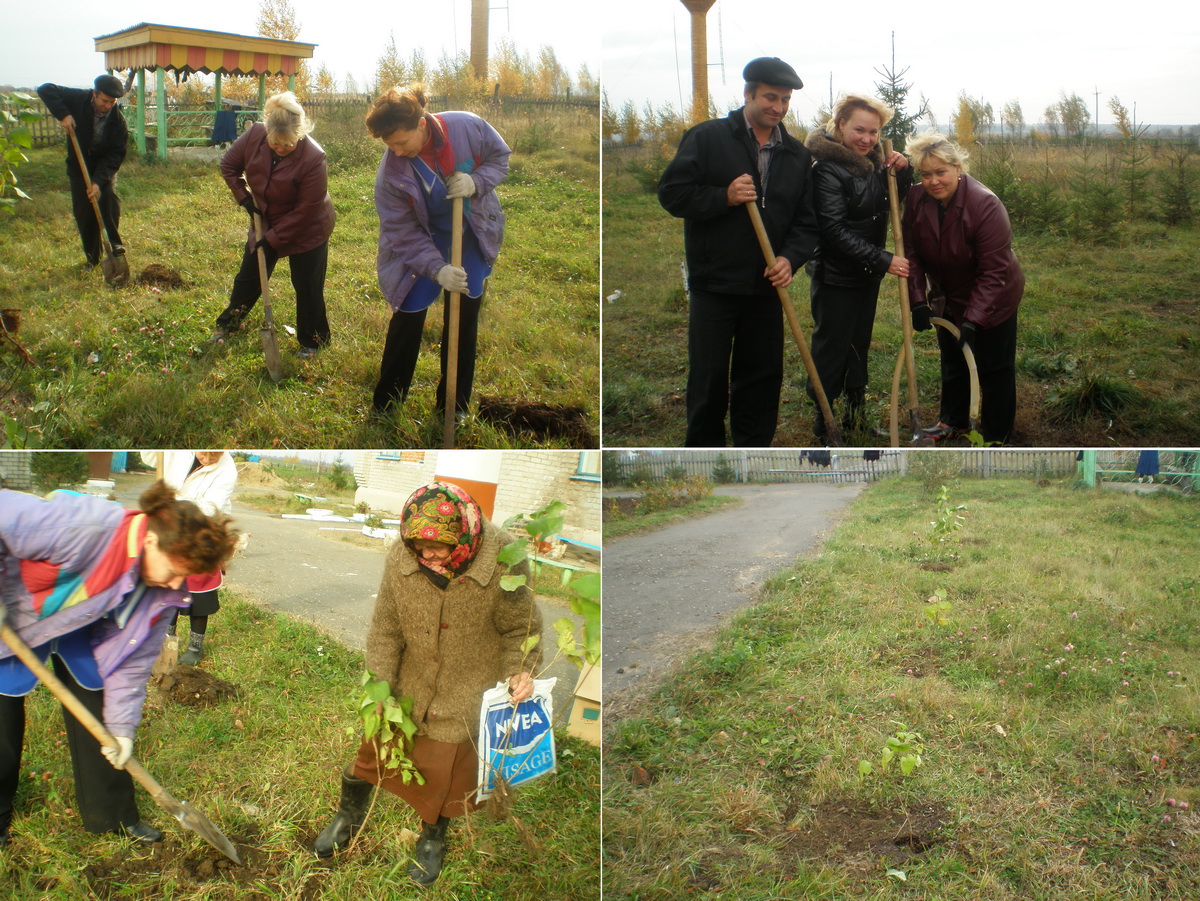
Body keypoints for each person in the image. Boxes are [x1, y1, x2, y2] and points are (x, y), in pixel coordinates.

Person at [313, 481, 541, 887]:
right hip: (409, 684)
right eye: (417, 545)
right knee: (372, 756)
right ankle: (348, 816)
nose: (426, 555)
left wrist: (520, 671)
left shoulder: (506, 559)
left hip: (464, 688)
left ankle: (432, 840)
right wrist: (380, 686)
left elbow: (519, 631)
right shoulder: (400, 559)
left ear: (466, 534)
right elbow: (385, 628)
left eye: (438, 546)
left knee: (441, 776)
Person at [0, 482, 239, 848]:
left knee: (99, 706)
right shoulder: (83, 526)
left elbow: (132, 663)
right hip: (16, 615)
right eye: (174, 571)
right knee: (2, 714)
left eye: (184, 576)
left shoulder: (165, 589)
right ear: (149, 542)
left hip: (79, 622)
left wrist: (123, 729)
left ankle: (113, 816)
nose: (176, 584)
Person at [658, 57, 820, 447]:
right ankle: (703, 450)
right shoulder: (708, 138)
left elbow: (806, 222)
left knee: (762, 376)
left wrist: (790, 259)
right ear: (747, 94)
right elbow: (672, 194)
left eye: (784, 100)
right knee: (709, 377)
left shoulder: (796, 156)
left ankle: (753, 447)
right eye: (769, 97)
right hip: (715, 282)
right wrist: (723, 197)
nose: (777, 108)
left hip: (767, 285)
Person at [365, 85, 511, 420]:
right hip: (423, 240)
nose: (397, 152)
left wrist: (476, 182)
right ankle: (387, 402)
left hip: (469, 232)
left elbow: (499, 157)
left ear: (421, 124)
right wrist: (436, 267)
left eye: (401, 142)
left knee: (463, 315)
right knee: (409, 313)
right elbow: (401, 232)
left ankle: (453, 405)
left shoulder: (466, 127)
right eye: (390, 146)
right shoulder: (390, 175)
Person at [902, 133, 1024, 444]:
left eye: (940, 172)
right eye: (925, 174)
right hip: (948, 297)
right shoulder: (916, 199)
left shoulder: (985, 204)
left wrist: (974, 319)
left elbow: (994, 271)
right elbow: (911, 254)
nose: (933, 181)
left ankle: (997, 436)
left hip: (995, 296)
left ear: (958, 168)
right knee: (953, 361)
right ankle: (952, 422)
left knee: (994, 369)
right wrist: (918, 300)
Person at [804, 95, 911, 438]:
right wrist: (884, 259)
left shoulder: (875, 163)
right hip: (836, 276)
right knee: (831, 348)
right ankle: (826, 423)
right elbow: (833, 232)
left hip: (866, 274)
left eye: (873, 132)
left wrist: (902, 172)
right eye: (859, 130)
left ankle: (856, 416)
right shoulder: (826, 171)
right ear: (839, 126)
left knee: (857, 345)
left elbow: (890, 201)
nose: (866, 139)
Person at [214, 92, 334, 359]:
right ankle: (229, 324)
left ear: (300, 134)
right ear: (266, 132)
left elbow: (307, 210)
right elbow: (229, 165)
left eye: (288, 145)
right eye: (275, 143)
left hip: (308, 227)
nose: (280, 148)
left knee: (307, 285)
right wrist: (245, 199)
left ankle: (314, 340)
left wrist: (272, 239)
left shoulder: (314, 157)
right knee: (249, 277)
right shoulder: (255, 134)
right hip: (266, 218)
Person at [140, 451, 238, 665]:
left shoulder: (227, 469)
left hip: (203, 528)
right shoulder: (179, 451)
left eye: (213, 458)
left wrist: (174, 501)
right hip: (173, 528)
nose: (208, 461)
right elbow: (150, 458)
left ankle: (195, 647)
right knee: (170, 588)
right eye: (204, 455)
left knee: (200, 592)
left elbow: (212, 507)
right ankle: (165, 640)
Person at [36, 75, 129, 270]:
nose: (108, 106)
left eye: (112, 102)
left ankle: (114, 245)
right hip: (79, 164)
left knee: (108, 198)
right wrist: (63, 114)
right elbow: (45, 89)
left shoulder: (118, 122)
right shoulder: (78, 98)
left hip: (102, 165)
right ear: (94, 94)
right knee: (84, 212)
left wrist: (97, 182)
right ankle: (92, 258)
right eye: (104, 101)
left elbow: (115, 155)